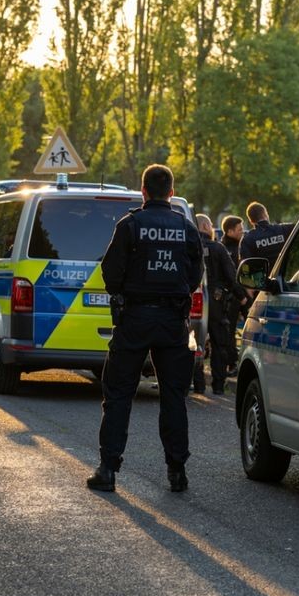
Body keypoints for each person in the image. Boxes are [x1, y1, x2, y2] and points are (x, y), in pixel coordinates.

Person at [89, 164, 204, 494]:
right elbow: (195, 275)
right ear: (172, 191)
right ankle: (177, 471)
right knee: (173, 397)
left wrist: (128, 292)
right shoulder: (186, 228)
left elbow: (110, 273)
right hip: (172, 322)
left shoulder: (130, 225)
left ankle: (108, 470)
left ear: (143, 191)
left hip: (134, 319)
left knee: (118, 395)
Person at [197, 215, 247, 395]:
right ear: (204, 226)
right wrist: (242, 298)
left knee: (194, 344)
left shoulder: (190, 246)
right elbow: (232, 276)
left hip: (194, 302)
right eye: (210, 225)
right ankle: (218, 385)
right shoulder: (218, 248)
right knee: (219, 344)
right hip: (217, 303)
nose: (212, 228)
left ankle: (198, 383)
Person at [238, 202, 294, 269]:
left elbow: (246, 266)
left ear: (251, 221)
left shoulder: (247, 239)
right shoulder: (284, 229)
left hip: (264, 277)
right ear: (265, 214)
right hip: (288, 274)